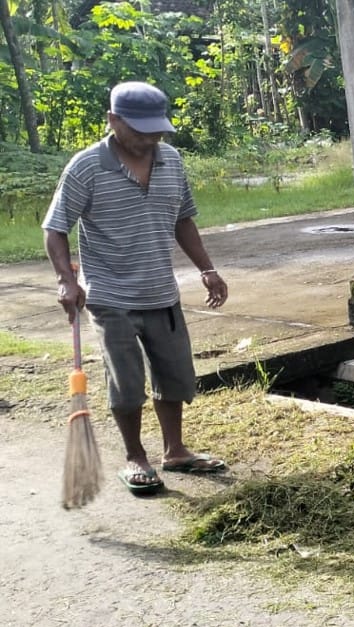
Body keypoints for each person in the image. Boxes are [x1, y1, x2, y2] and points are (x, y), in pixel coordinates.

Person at [42, 81, 229, 495]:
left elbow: (183, 219)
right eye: (140, 130)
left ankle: (175, 450)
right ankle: (135, 457)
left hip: (161, 291)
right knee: (126, 384)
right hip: (110, 297)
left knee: (176, 376)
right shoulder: (86, 166)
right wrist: (65, 281)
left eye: (156, 130)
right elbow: (55, 228)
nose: (150, 139)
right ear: (113, 120)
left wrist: (207, 269)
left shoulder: (172, 161)